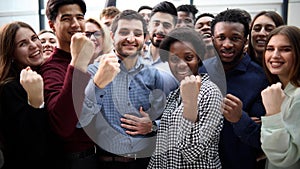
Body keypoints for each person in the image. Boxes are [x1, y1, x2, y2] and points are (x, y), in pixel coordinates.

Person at [78, 9, 177, 169]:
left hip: (144, 162)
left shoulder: (154, 75)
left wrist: (152, 125)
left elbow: (170, 117)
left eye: (137, 34)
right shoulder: (93, 71)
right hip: (106, 163)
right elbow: (80, 121)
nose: (131, 39)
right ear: (112, 36)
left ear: (145, 38)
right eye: (124, 32)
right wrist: (97, 84)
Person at [202, 9, 269, 169]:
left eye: (235, 38)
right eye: (221, 38)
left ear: (245, 41)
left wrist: (240, 119)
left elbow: (264, 138)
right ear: (212, 39)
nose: (227, 44)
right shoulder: (201, 71)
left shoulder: (260, 78)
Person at [147, 27, 223, 169]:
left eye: (188, 58)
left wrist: (190, 104)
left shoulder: (211, 92)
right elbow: (162, 150)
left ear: (199, 58)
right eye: (174, 59)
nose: (181, 65)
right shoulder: (173, 95)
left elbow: (191, 152)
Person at [42, 0, 98, 168]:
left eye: (79, 17)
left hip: (99, 155)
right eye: (66, 18)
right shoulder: (51, 67)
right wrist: (77, 64)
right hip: (74, 160)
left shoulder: (92, 59)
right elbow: (63, 125)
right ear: (52, 25)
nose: (75, 24)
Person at [0, 21, 62, 169]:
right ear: (11, 53)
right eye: (22, 44)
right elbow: (31, 146)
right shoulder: (9, 88)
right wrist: (36, 103)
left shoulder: (45, 73)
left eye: (34, 38)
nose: (34, 45)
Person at [261, 25, 300, 169]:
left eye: (286, 49)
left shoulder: (298, 97)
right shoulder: (282, 88)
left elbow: (284, 158)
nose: (275, 55)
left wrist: (273, 114)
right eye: (270, 49)